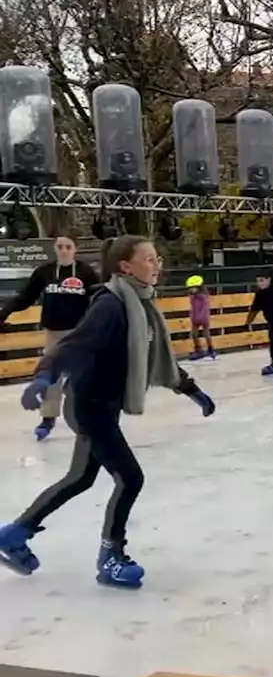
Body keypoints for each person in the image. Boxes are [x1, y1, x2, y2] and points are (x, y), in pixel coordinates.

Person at [0, 235, 215, 589]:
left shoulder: (141, 304)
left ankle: (14, 534)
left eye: (157, 258)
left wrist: (190, 389)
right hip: (90, 405)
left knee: (81, 477)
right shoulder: (112, 305)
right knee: (130, 478)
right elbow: (74, 344)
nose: (156, 265)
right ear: (125, 267)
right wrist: (45, 375)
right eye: (148, 259)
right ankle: (110, 557)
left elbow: (155, 359)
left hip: (101, 404)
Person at [0, 234, 101, 441]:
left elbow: (98, 298)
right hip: (53, 332)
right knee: (50, 376)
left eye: (68, 246)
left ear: (75, 249)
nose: (64, 250)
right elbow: (25, 297)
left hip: (78, 333)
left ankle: (87, 417)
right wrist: (4, 312)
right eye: (60, 246)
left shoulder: (86, 273)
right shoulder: (45, 272)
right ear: (55, 249)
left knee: (81, 378)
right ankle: (48, 418)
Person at [186, 275, 216, 360]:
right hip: (195, 318)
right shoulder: (193, 297)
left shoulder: (203, 296)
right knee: (194, 334)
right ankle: (198, 349)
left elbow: (204, 307)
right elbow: (193, 308)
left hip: (203, 318)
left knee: (206, 333)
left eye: (193, 288)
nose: (191, 290)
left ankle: (211, 348)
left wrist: (201, 317)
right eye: (190, 288)